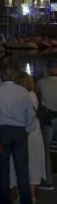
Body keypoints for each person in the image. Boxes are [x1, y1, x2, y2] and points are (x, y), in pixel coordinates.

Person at [0, 63, 35, 204]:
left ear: (1, 76)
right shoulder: (23, 91)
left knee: (3, 170)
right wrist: (27, 129)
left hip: (2, 131)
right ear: (14, 75)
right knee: (22, 170)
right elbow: (30, 114)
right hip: (19, 131)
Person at [10, 72, 46, 204]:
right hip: (34, 132)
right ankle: (30, 197)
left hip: (24, 131)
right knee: (33, 164)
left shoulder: (22, 96)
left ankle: (23, 198)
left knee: (20, 164)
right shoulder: (32, 94)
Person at [36, 59, 57, 191]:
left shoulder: (41, 83)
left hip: (49, 119)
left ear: (48, 69)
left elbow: (38, 100)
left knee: (46, 151)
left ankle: (48, 181)